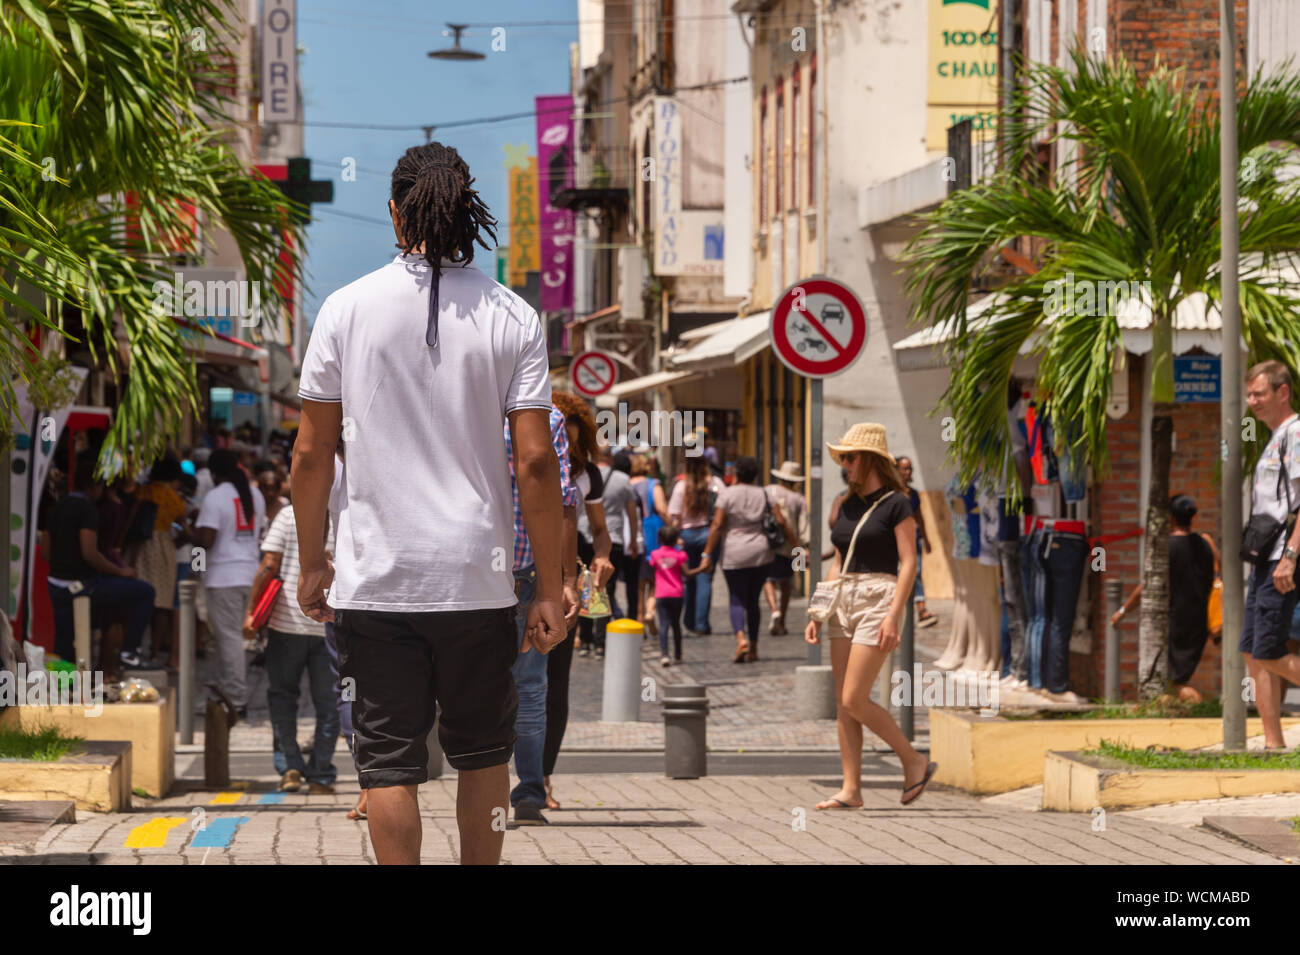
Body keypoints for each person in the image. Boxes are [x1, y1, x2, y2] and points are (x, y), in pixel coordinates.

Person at [291, 141, 566, 867]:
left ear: (392, 212)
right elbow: (537, 462)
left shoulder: (344, 310)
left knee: (387, 763)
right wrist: (550, 585)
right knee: (484, 756)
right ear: (470, 212)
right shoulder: (515, 316)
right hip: (476, 578)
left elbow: (311, 455)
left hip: (377, 581)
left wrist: (314, 561)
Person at [805, 423, 936, 808]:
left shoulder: (898, 503)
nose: (844, 464)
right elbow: (839, 562)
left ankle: (913, 760)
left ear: (869, 459)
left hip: (880, 596)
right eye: (842, 458)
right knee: (842, 701)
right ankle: (851, 789)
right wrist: (817, 611)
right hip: (842, 598)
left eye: (849, 457)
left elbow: (910, 562)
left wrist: (894, 614)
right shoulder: (846, 504)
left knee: (854, 698)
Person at [503, 408, 580, 826]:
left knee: (471, 680)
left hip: (464, 568)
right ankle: (529, 792)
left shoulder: (458, 393)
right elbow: (562, 502)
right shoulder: (547, 417)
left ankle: (479, 787)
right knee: (530, 685)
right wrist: (563, 580)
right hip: (526, 568)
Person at [243, 475, 340, 794]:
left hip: (287, 624)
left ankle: (290, 768)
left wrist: (252, 613)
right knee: (329, 702)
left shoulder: (288, 515)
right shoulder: (345, 516)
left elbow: (269, 565)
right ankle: (321, 774)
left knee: (283, 696)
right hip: (332, 624)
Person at [544, 392, 614, 810]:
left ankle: (542, 777)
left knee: (556, 685)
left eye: (569, 443)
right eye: (556, 441)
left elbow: (599, 529)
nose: (562, 451)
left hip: (566, 586)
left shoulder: (587, 477)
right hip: (515, 578)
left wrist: (602, 555)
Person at [39, 454, 156, 668]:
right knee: (145, 592)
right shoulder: (87, 510)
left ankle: (62, 691)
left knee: (64, 642)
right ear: (95, 485)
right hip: (83, 585)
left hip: (55, 585)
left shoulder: (56, 508)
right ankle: (129, 651)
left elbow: (46, 552)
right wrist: (120, 572)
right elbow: (90, 553)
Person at [1238, 360, 1300, 750]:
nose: (1252, 402)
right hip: (1265, 558)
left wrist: (1290, 555)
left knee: (1269, 651)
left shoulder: (1295, 433)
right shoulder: (1276, 436)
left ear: (1282, 392)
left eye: (1259, 393)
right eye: (1249, 394)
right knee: (1251, 650)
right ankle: (1273, 745)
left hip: (1283, 556)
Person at [1110, 494, 1218, 702]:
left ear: (1171, 517)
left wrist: (1123, 611)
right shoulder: (1206, 543)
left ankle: (1203, 708)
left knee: (1174, 682)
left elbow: (1146, 587)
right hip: (1199, 621)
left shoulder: (1167, 548)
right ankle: (1177, 713)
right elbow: (1217, 573)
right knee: (1172, 683)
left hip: (1176, 622)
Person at [192, 449, 266, 718]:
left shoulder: (215, 497)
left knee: (229, 640)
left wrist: (189, 531)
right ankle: (226, 692)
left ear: (213, 472)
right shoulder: (254, 494)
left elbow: (207, 541)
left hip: (223, 577)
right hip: (250, 574)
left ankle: (235, 698)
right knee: (238, 639)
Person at [698, 456, 793, 663]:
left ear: (737, 474)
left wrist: (707, 553)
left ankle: (741, 639)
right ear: (756, 475)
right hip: (761, 553)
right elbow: (780, 520)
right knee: (753, 601)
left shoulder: (727, 495)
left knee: (737, 598)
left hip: (734, 553)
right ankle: (754, 648)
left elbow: (717, 525)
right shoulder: (765, 493)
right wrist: (796, 545)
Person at [128, 454, 188, 664]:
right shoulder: (175, 498)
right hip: (165, 549)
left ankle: (132, 647)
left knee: (137, 598)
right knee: (162, 602)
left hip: (141, 546)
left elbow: (130, 519)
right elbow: (184, 530)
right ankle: (154, 652)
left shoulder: (142, 491)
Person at [668, 455, 725, 634]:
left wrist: (676, 537)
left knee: (688, 578)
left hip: (686, 536)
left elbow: (675, 516)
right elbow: (725, 507)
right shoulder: (715, 483)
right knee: (705, 578)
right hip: (709, 534)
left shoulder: (681, 486)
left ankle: (689, 620)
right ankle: (701, 624)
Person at [763, 460, 811, 635]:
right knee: (786, 582)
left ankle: (774, 610)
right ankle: (781, 620)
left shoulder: (768, 491)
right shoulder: (799, 499)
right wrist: (803, 550)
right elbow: (804, 527)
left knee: (767, 579)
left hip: (766, 543)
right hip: (789, 546)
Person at [630, 451, 670, 634]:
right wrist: (673, 524)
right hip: (653, 533)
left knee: (638, 582)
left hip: (634, 533)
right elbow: (662, 508)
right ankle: (650, 611)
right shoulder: (654, 484)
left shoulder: (627, 484)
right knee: (655, 577)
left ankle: (638, 617)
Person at [896, 456, 937, 628]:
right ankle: (800, 575)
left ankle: (920, 608)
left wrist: (927, 539)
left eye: (910, 468)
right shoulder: (892, 493)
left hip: (913, 539)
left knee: (916, 571)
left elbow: (920, 517)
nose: (907, 472)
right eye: (904, 468)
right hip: (896, 540)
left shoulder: (913, 494)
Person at [604, 451, 643, 620]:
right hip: (626, 540)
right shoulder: (625, 483)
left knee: (606, 586)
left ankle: (602, 628)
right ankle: (632, 619)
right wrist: (634, 539)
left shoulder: (605, 481)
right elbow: (633, 515)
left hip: (610, 538)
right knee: (632, 586)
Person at [649, 525, 695, 665]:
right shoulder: (680, 555)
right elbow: (687, 573)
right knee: (676, 624)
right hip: (677, 594)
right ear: (676, 539)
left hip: (662, 594)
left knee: (663, 624)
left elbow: (652, 567)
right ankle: (678, 654)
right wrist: (701, 569)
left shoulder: (655, 554)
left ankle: (664, 654)